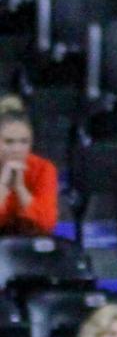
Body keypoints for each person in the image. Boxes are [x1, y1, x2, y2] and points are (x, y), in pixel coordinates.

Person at [0, 96, 59, 235]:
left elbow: (47, 224)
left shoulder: (44, 168)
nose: (17, 149)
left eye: (24, 142)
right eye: (9, 142)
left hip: (27, 243)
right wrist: (3, 185)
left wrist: (20, 189)